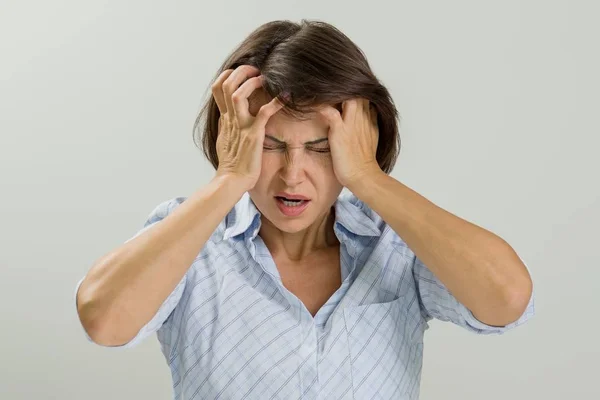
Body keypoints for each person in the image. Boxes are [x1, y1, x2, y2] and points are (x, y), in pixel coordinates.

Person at [74, 19, 535, 400]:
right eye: (271, 145)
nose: (293, 175)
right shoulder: (190, 240)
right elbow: (104, 320)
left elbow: (507, 300)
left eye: (320, 148)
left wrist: (369, 178)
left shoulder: (397, 244)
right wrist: (229, 177)